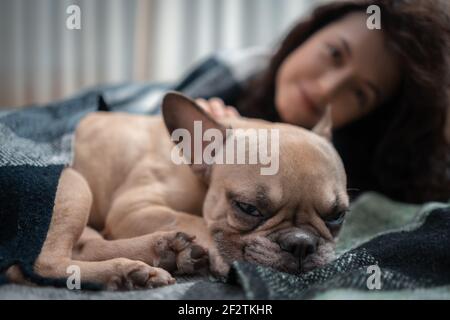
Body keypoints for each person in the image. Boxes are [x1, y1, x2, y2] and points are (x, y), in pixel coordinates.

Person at [192, 0, 450, 204]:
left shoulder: (349, 175)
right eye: (335, 53)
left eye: (360, 94)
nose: (327, 89)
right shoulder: (231, 70)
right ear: (310, 31)